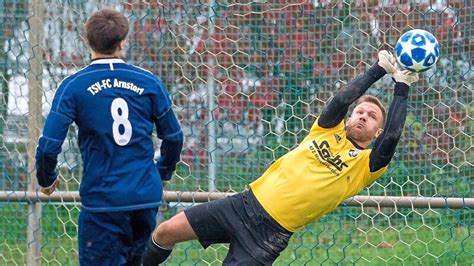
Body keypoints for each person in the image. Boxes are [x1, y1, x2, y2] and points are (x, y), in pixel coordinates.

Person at [142, 50, 419, 265]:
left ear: (376, 132)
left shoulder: (365, 166)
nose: (363, 116)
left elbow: (392, 137)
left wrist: (401, 86)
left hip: (268, 235)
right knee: (167, 230)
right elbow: (340, 100)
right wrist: (377, 70)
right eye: (360, 111)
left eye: (371, 117)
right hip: (242, 204)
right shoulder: (324, 131)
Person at [35, 9, 183, 265]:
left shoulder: (74, 86)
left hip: (103, 203)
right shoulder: (148, 82)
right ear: (122, 42)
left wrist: (47, 178)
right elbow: (174, 137)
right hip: (144, 199)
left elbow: (48, 146)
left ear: (87, 40)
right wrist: (161, 173)